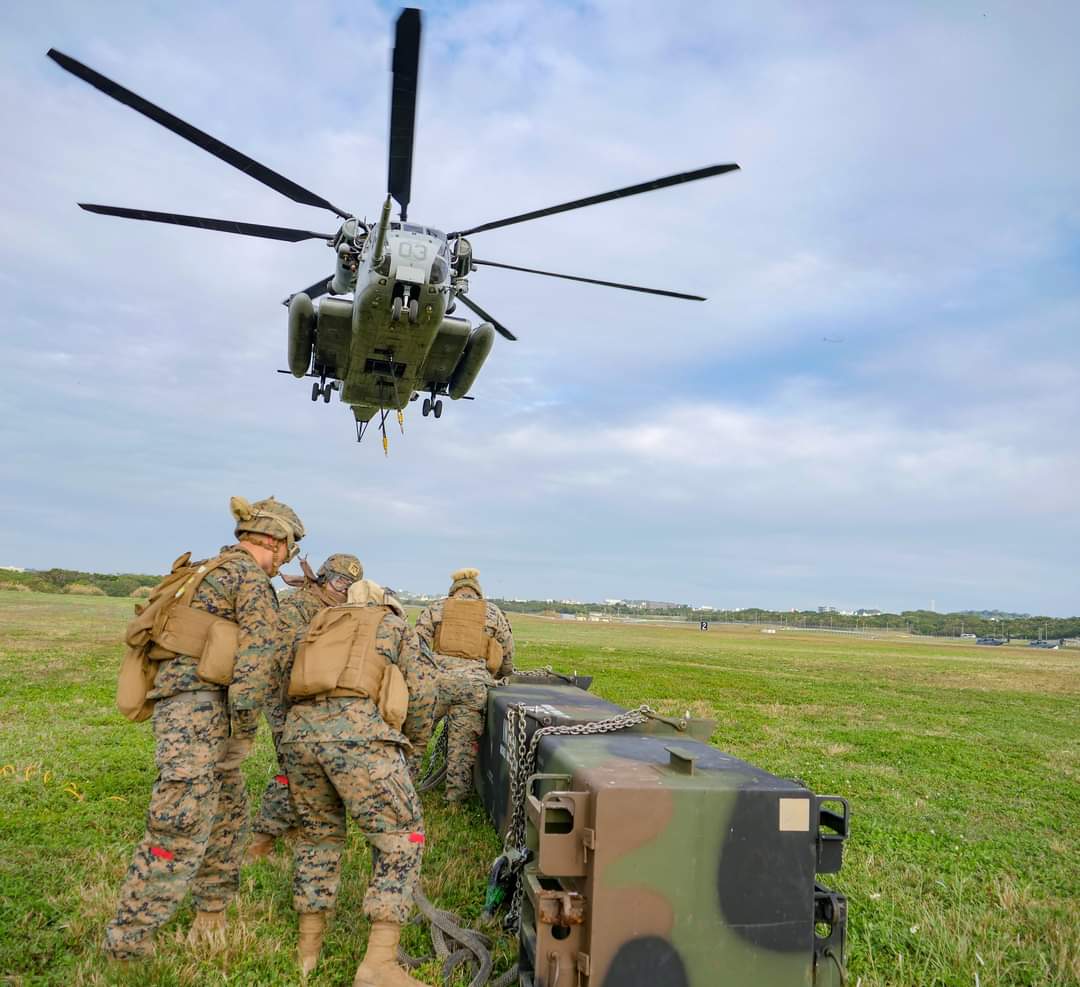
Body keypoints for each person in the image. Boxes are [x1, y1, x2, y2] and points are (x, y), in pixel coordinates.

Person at [103, 495, 305, 962]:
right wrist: (245, 729)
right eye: (288, 550)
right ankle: (128, 943)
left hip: (192, 708)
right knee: (178, 825)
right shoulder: (249, 579)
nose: (285, 560)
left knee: (229, 816)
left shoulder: (208, 569)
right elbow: (256, 660)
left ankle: (210, 912)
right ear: (274, 542)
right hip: (204, 714)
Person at [280, 579, 435, 981]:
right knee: (403, 837)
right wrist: (411, 745)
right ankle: (379, 964)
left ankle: (307, 951)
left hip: (299, 736)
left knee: (318, 837)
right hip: (361, 737)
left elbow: (283, 682)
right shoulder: (395, 626)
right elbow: (421, 694)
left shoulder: (317, 624)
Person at [246, 553, 363, 861]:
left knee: (315, 768)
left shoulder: (338, 609)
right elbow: (282, 653)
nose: (344, 589)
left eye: (352, 585)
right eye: (340, 581)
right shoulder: (297, 605)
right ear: (322, 578)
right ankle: (261, 839)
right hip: (285, 697)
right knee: (293, 768)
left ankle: (295, 825)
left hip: (315, 700)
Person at [414, 568, 514, 804]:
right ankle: (454, 802)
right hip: (473, 687)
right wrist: (502, 674)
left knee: (417, 739)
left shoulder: (436, 609)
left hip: (436, 683)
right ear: (478, 592)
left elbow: (416, 645)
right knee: (462, 748)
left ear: (454, 590)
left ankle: (401, 790)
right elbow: (507, 653)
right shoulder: (493, 613)